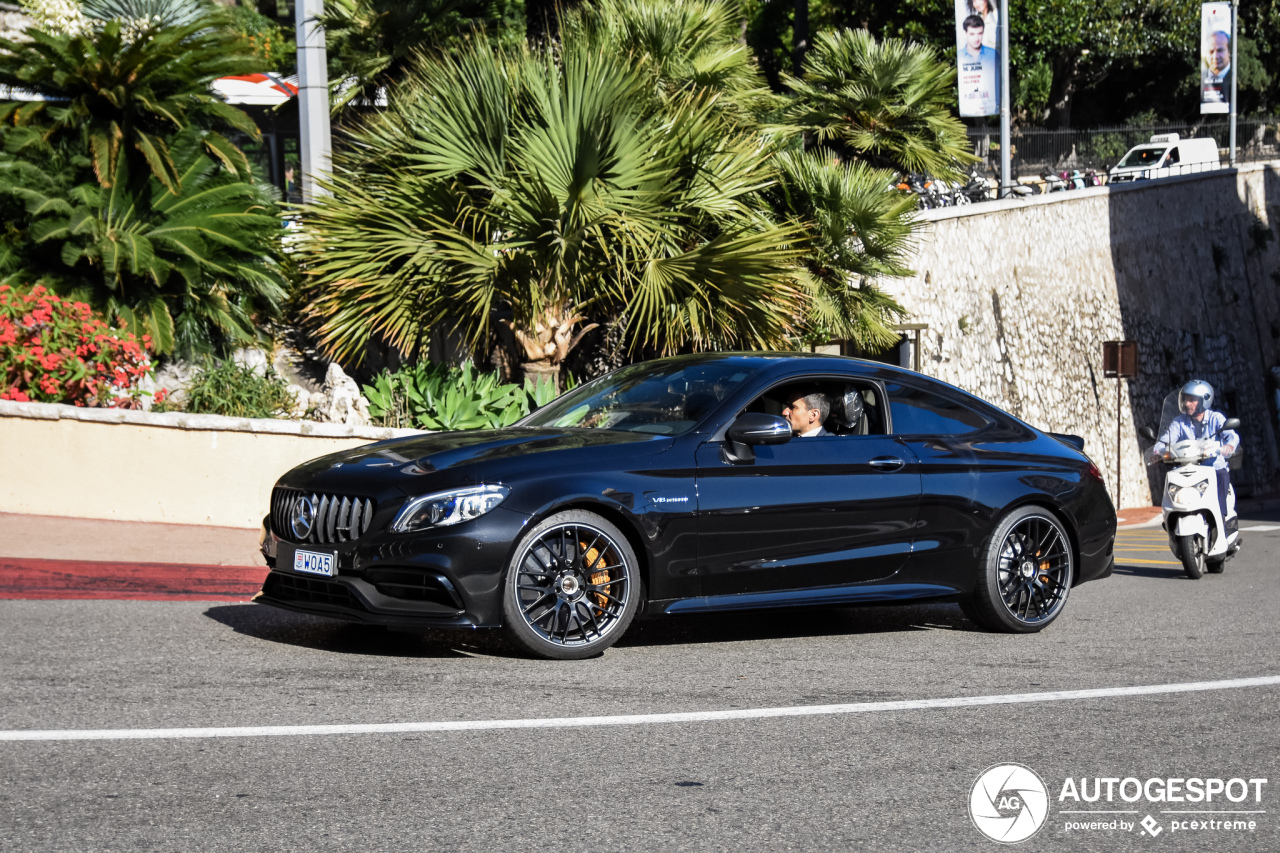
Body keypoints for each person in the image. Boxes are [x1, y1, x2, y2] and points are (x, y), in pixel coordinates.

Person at [1153, 380, 1239, 524]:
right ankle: (1170, 517)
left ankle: (1221, 516)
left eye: (1192, 400)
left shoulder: (1216, 418)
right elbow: (1166, 439)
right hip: (1189, 469)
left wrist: (1229, 446)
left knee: (1222, 475)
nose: (1187, 404)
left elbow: (1231, 436)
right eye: (1186, 399)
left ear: (1204, 401)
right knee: (1173, 478)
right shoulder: (1179, 422)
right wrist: (1158, 451)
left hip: (1213, 469)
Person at [958, 15, 1000, 117]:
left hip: (991, 104)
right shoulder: (960, 56)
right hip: (968, 104)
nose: (976, 38)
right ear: (965, 33)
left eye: (980, 33)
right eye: (972, 34)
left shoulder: (993, 54)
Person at [1202, 30, 1232, 107]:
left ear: (1229, 51)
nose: (1215, 56)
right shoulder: (1202, 77)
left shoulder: (1235, 76)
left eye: (1220, 50)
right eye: (1211, 51)